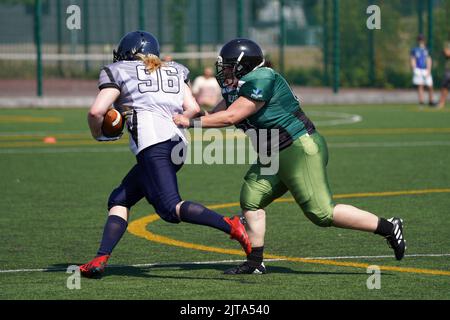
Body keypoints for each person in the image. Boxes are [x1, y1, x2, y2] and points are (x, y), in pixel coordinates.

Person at [173, 38, 406, 275]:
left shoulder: (263, 78)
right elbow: (216, 114)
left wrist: (190, 123)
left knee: (321, 213)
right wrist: (183, 110)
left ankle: (388, 227)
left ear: (244, 65)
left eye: (230, 66)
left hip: (298, 148)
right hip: (272, 154)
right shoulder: (239, 85)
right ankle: (255, 262)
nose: (226, 72)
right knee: (251, 198)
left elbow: (232, 117)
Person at [80, 31, 251, 278]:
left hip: (153, 144)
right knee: (119, 199)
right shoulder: (175, 69)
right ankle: (100, 258)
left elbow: (96, 111)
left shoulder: (118, 69)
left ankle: (231, 225)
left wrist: (99, 134)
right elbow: (192, 108)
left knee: (170, 209)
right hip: (177, 144)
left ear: (126, 53)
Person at [410, 34, 435, 106]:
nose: (421, 41)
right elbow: (413, 59)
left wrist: (429, 70)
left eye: (422, 39)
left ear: (424, 40)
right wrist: (414, 68)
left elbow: (429, 60)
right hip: (418, 69)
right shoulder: (414, 50)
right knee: (420, 85)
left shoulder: (427, 49)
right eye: (419, 39)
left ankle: (431, 101)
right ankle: (421, 101)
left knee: (430, 85)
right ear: (418, 40)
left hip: (425, 69)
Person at [437, 39, 450, 109]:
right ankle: (441, 102)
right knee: (445, 87)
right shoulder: (447, 44)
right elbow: (447, 53)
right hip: (448, 70)